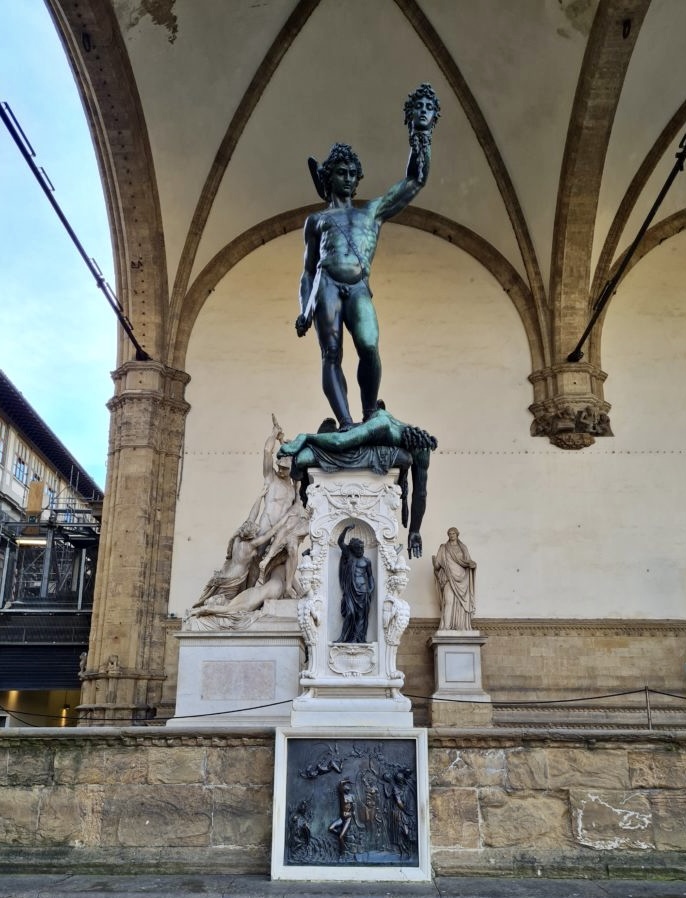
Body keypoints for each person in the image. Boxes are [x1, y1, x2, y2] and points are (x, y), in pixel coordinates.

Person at [296, 84, 440, 428]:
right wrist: (304, 310)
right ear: (328, 177)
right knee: (331, 353)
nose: (347, 178)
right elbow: (306, 271)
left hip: (359, 285)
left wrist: (421, 133)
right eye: (340, 173)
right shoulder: (317, 220)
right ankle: (345, 422)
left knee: (370, 348)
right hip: (326, 284)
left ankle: (370, 412)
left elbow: (414, 180)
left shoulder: (371, 213)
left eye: (351, 174)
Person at [277, 403, 437, 557]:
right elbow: (339, 442)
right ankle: (308, 438)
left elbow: (420, 493)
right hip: (348, 443)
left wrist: (415, 531)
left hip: (367, 448)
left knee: (406, 458)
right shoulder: (382, 424)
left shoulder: (420, 449)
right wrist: (305, 439)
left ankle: (319, 442)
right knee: (305, 458)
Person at [432, 527, 477, 631]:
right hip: (449, 578)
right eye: (450, 533)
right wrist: (435, 564)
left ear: (457, 535)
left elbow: (468, 561)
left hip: (462, 579)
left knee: (461, 604)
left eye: (453, 533)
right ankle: (446, 628)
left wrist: (472, 564)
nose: (451, 535)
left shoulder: (463, 548)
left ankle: (460, 626)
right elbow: (437, 566)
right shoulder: (443, 548)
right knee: (448, 601)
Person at [337, 524, 375, 643]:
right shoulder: (349, 555)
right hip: (351, 591)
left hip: (363, 592)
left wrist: (371, 588)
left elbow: (370, 577)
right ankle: (342, 638)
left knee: (360, 617)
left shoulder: (367, 561)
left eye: (362, 548)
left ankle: (357, 638)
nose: (361, 550)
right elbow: (340, 542)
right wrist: (345, 529)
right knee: (350, 613)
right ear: (353, 549)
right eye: (359, 548)